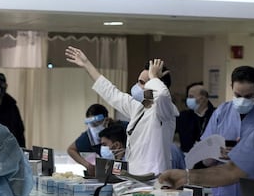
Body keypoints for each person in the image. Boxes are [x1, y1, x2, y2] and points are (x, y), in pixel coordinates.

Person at [66, 46, 178, 176]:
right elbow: (111, 93)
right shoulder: (139, 108)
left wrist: (154, 77)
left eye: (142, 83)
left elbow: (162, 94)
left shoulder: (165, 110)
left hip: (154, 178)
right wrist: (86, 64)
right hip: (135, 176)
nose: (137, 86)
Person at [198, 65, 254, 196]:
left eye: (248, 96)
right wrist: (217, 152)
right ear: (231, 87)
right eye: (238, 95)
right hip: (223, 191)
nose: (242, 100)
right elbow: (205, 158)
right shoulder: (221, 112)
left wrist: (248, 154)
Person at [67, 103, 112, 177]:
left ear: (106, 120)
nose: (93, 127)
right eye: (91, 124)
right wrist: (87, 165)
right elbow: (71, 150)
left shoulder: (121, 129)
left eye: (96, 123)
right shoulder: (90, 136)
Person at [176, 82, 215, 152]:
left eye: (191, 97)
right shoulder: (183, 116)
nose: (188, 100)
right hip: (186, 157)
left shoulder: (216, 115)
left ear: (202, 99)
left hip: (208, 158)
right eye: (187, 97)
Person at [0, 72, 26, 147]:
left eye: (1, 84)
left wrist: (22, 151)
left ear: (6, 86)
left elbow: (19, 131)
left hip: (9, 149)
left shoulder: (11, 106)